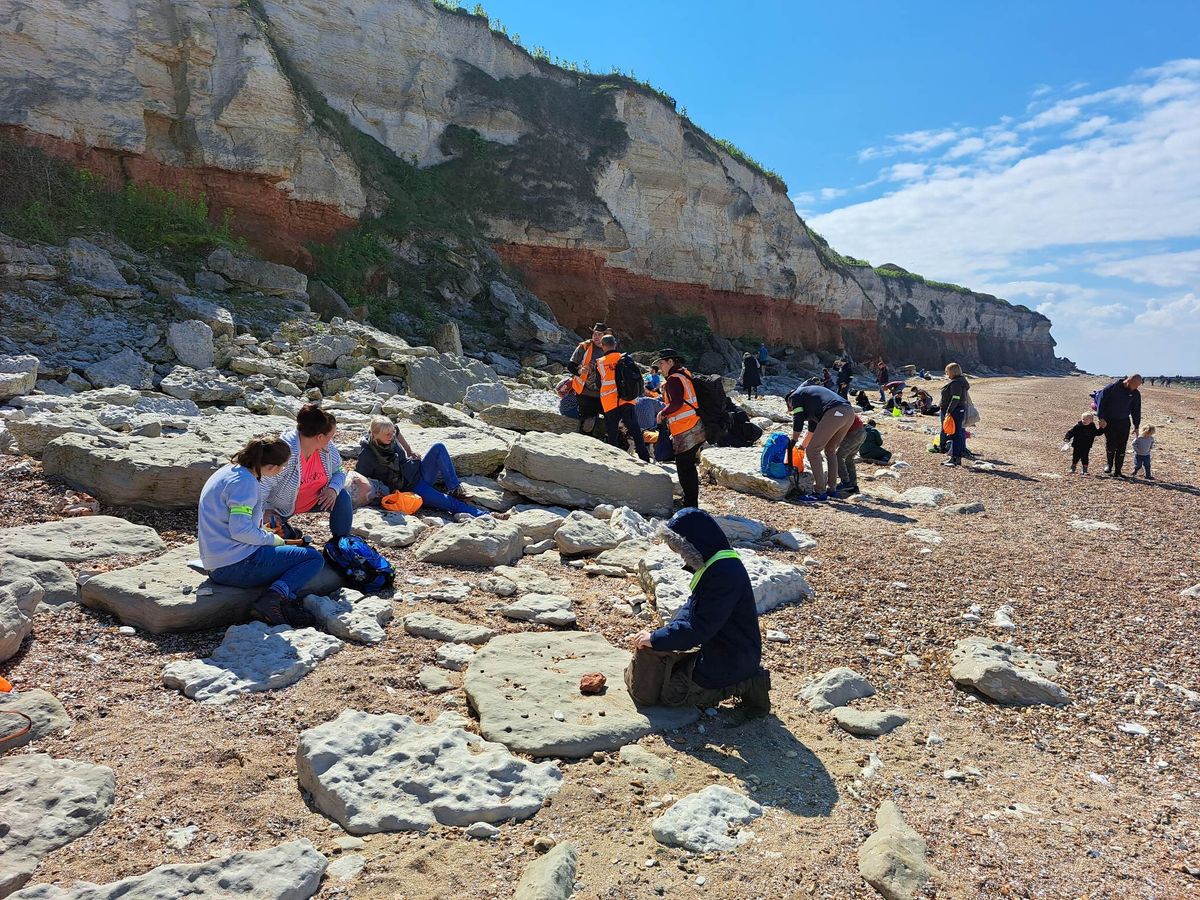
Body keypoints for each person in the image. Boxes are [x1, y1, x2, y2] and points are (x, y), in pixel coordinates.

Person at [627, 509, 770, 717]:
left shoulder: (723, 575)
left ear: (695, 545)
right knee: (661, 668)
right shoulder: (718, 562)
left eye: (681, 550)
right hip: (723, 649)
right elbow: (693, 607)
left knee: (669, 694)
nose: (681, 556)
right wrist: (664, 633)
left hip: (731, 659)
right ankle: (742, 676)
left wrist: (657, 638)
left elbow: (698, 628)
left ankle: (747, 682)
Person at [200, 435, 323, 628]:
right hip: (234, 565)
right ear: (272, 467)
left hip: (216, 560)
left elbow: (235, 522)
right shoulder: (245, 484)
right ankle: (275, 598)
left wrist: (261, 531)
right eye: (282, 467)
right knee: (313, 558)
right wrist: (270, 539)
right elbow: (240, 531)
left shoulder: (228, 471)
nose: (282, 471)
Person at [355, 416, 486, 517]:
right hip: (411, 488)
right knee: (451, 504)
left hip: (417, 471)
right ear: (375, 434)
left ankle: (455, 489)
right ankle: (485, 515)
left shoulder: (391, 433)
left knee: (438, 448)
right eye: (387, 434)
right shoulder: (367, 455)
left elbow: (397, 431)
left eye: (392, 433)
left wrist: (409, 450)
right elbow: (360, 478)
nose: (391, 436)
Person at [262, 404, 352, 539]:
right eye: (331, 436)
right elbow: (262, 483)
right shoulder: (286, 452)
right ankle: (290, 533)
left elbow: (340, 470)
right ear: (320, 437)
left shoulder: (327, 448)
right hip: (280, 509)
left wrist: (333, 489)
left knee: (342, 495)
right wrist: (265, 510)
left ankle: (341, 542)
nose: (331, 440)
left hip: (316, 499)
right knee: (279, 539)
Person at [786, 383, 854, 501]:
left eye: (789, 406)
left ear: (788, 400)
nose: (790, 409)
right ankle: (832, 490)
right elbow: (812, 430)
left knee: (812, 451)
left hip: (835, 411)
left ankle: (819, 492)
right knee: (830, 450)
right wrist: (802, 446)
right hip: (849, 413)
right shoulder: (812, 401)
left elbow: (798, 419)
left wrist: (793, 440)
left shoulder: (795, 396)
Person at [656, 349, 704, 508]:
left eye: (661, 363)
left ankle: (690, 504)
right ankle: (691, 501)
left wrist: (663, 413)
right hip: (695, 424)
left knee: (685, 468)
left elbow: (677, 403)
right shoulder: (684, 374)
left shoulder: (673, 379)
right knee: (688, 465)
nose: (660, 367)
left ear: (671, 362)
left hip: (685, 428)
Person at [596, 334, 649, 462]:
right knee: (635, 430)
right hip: (627, 400)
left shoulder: (600, 363)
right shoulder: (625, 358)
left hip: (609, 402)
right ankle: (644, 457)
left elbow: (599, 384)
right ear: (615, 344)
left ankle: (613, 460)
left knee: (612, 433)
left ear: (603, 346)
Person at [1095, 374, 1143, 477]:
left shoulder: (1135, 393)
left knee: (1122, 446)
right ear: (1128, 381)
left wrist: (1136, 425)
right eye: (1136, 385)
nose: (1137, 387)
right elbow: (1101, 403)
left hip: (1124, 421)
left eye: (1138, 385)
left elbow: (1136, 410)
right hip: (1109, 421)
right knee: (1111, 443)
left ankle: (1118, 470)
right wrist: (1101, 418)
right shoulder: (1112, 388)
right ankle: (1109, 464)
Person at [569, 323, 609, 436]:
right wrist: (579, 371)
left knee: (612, 419)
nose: (596, 336)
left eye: (599, 334)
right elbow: (570, 366)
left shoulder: (610, 348)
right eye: (594, 334)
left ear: (605, 335)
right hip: (585, 392)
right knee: (587, 423)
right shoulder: (584, 347)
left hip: (604, 394)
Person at [939, 362, 971, 467]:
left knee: (954, 435)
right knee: (955, 434)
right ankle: (955, 457)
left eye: (947, 371)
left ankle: (955, 459)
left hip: (955, 411)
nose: (946, 373)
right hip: (957, 410)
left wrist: (949, 411)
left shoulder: (956, 383)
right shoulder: (959, 382)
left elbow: (955, 398)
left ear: (952, 371)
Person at [833, 414, 866, 496]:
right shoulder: (846, 409)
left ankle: (845, 482)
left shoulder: (837, 410)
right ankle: (853, 485)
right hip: (861, 432)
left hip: (853, 433)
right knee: (849, 458)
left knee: (838, 456)